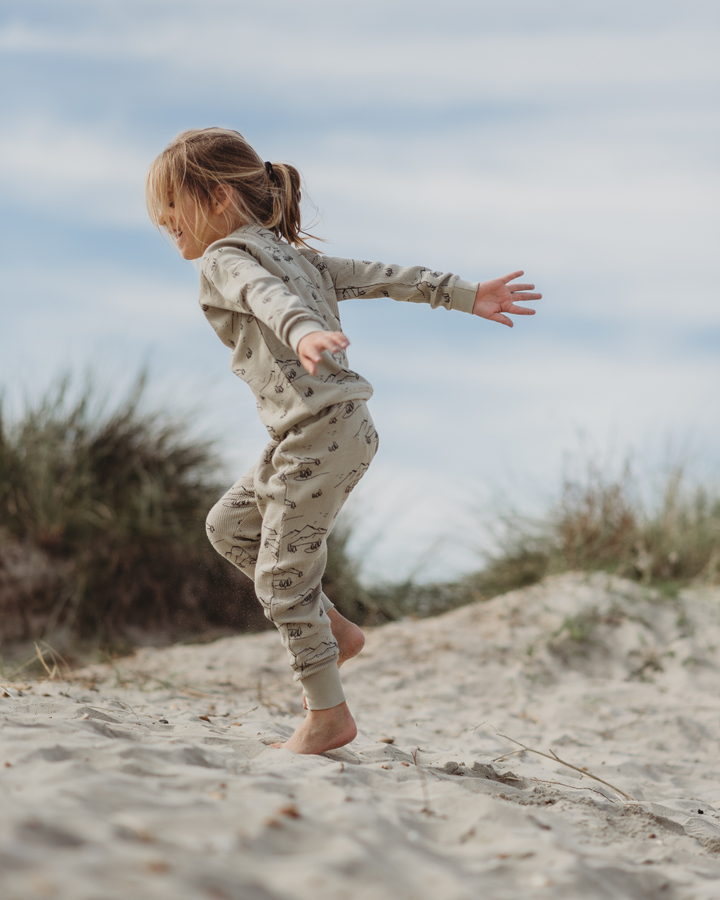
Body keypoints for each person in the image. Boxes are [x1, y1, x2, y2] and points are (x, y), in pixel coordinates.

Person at [146, 127, 540, 756]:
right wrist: (466, 294)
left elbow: (262, 297)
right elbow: (384, 276)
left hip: (319, 431)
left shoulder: (228, 258)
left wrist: (300, 330)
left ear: (218, 198)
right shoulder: (297, 256)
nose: (164, 220)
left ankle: (327, 714)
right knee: (229, 526)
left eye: (172, 205)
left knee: (281, 578)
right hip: (325, 430)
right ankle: (333, 628)